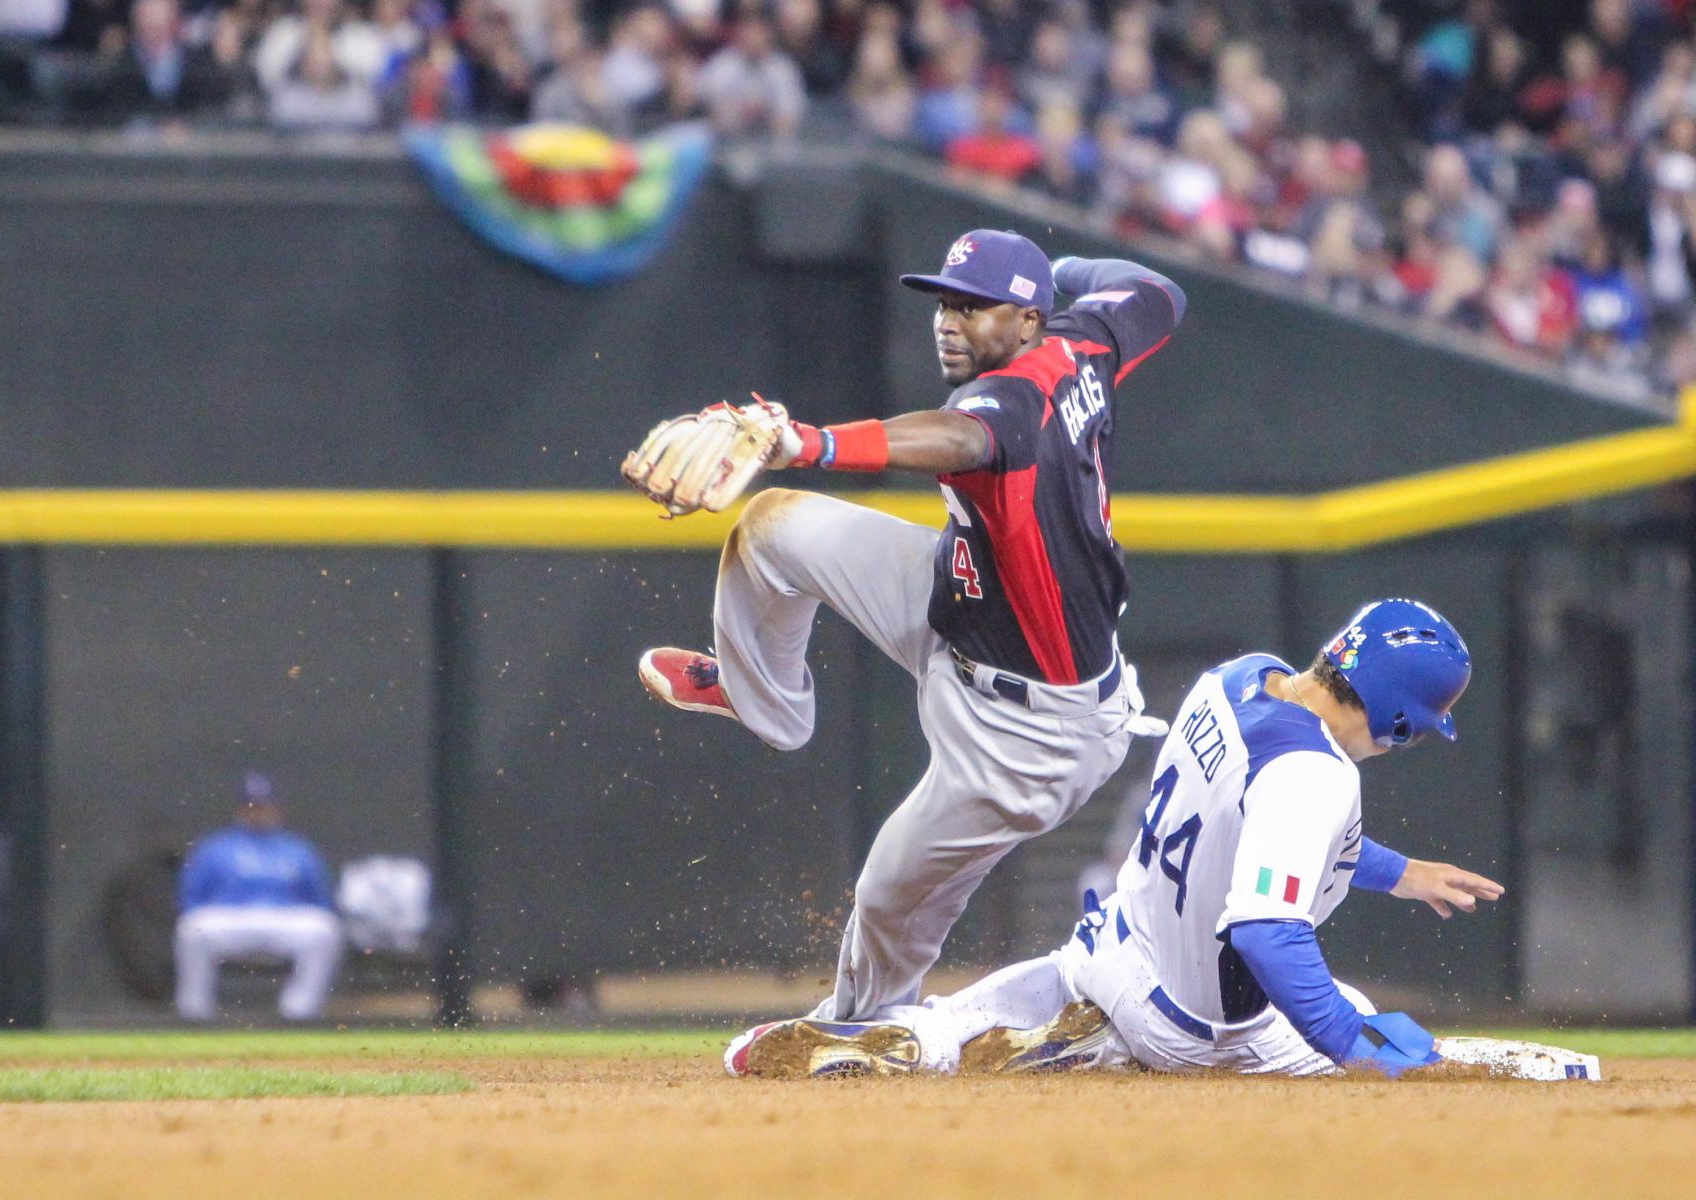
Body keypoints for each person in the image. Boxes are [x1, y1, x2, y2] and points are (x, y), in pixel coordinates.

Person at [632, 229, 1186, 1030]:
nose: (949, 322)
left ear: (1027, 322)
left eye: (975, 306)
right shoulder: (1085, 340)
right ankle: (763, 702)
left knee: (888, 897)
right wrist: (1058, 273)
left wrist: (808, 443)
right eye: (945, 303)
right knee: (771, 530)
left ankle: (865, 1028)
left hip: (1028, 731)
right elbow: (1159, 291)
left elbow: (960, 438)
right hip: (955, 602)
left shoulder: (1010, 402)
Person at [725, 599, 1505, 1080]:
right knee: (1393, 1039)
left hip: (1114, 943)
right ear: (1404, 719)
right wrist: (1350, 1043)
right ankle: (1094, 1045)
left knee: (1006, 1007)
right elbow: (1270, 932)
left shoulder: (1239, 679)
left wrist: (1401, 872)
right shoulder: (1318, 775)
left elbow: (1255, 834)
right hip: (1196, 1027)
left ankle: (916, 1038)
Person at [174, 771, 343, 1022]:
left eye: (264, 806)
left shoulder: (297, 850)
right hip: (231, 920)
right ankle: (195, 1014)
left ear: (277, 809)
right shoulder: (216, 848)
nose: (258, 812)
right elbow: (190, 898)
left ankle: (298, 1013)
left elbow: (319, 900)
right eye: (251, 806)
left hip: (282, 919)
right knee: (191, 929)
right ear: (240, 809)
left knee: (325, 929)